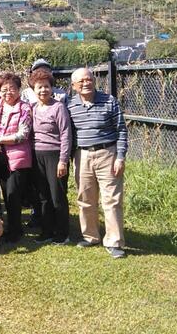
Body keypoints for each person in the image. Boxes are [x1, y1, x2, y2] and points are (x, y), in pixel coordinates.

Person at [68, 67, 129, 259]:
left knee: (111, 199)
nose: (86, 84)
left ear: (94, 81)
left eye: (89, 80)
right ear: (73, 86)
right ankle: (90, 236)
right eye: (81, 81)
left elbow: (121, 130)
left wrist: (120, 156)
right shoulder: (70, 105)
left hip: (107, 154)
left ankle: (114, 242)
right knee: (85, 199)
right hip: (83, 155)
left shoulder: (109, 101)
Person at [0, 72, 33, 243]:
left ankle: (15, 230)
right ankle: (5, 226)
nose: (8, 93)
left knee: (13, 194)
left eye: (12, 89)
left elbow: (23, 134)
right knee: (3, 193)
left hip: (17, 157)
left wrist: (0, 140)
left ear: (19, 90)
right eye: (4, 90)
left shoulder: (25, 108)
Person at [30, 69, 72, 245]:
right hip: (37, 155)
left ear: (52, 88)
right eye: (39, 87)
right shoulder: (32, 108)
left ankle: (62, 233)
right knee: (43, 196)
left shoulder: (58, 107)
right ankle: (47, 230)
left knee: (57, 195)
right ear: (33, 89)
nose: (43, 90)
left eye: (46, 87)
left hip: (55, 155)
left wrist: (63, 160)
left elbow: (66, 134)